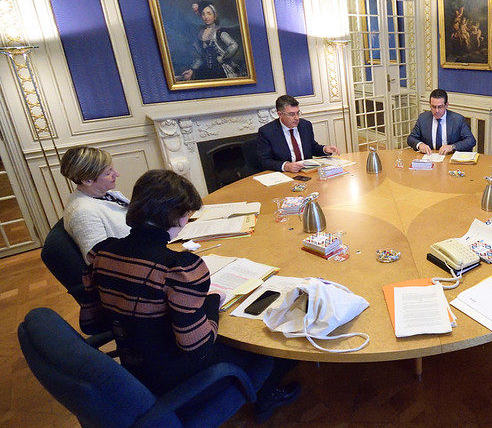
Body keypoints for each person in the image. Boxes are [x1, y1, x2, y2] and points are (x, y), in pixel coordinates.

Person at [79, 169, 299, 420]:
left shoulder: (101, 253)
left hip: (131, 371)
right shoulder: (179, 268)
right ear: (176, 217)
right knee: (267, 348)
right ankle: (267, 397)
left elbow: (91, 323)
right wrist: (212, 301)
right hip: (174, 379)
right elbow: (197, 346)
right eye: (186, 215)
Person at [60, 146, 130, 263]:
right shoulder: (83, 213)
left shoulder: (106, 195)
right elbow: (101, 262)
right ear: (87, 180)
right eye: (108, 173)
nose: (116, 174)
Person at [257, 94, 340, 172]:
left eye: (297, 113)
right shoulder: (267, 132)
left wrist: (325, 149)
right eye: (291, 114)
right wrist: (286, 166)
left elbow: (312, 147)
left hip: (307, 171)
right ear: (280, 114)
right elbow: (264, 161)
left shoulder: (305, 125)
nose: (296, 118)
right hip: (285, 175)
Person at [179, 0, 242, 81]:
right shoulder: (200, 34)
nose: (206, 17)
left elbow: (234, 46)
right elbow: (201, 56)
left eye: (209, 13)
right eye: (203, 14)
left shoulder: (219, 32)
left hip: (220, 70)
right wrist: (192, 70)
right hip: (204, 70)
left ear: (214, 16)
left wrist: (222, 58)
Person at [407, 89, 476, 155]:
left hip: (450, 158)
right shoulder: (423, 118)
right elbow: (411, 138)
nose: (436, 111)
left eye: (440, 107)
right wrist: (420, 145)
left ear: (446, 105)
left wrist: (452, 147)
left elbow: (471, 141)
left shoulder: (457, 119)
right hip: (430, 158)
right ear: (430, 105)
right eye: (433, 107)